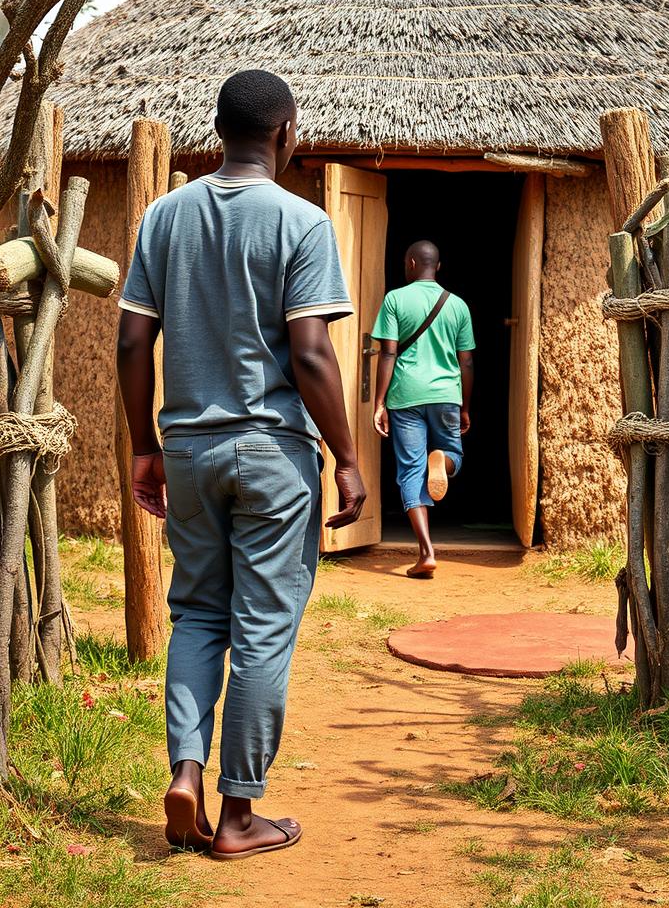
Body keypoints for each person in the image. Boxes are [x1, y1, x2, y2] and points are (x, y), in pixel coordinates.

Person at [116, 69, 365, 860]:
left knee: (197, 614)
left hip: (186, 450)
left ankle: (184, 771)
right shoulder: (302, 222)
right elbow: (313, 353)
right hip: (272, 454)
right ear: (287, 133)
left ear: (217, 130)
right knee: (261, 631)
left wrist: (146, 448)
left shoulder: (163, 217)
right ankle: (237, 817)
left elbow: (130, 343)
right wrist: (349, 457)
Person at [371, 240, 474, 578]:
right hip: (446, 393)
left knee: (410, 471)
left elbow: (387, 353)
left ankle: (426, 553)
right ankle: (441, 460)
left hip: (405, 396)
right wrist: (465, 406)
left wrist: (379, 402)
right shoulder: (458, 305)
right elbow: (467, 362)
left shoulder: (395, 299)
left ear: (411, 262)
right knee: (454, 453)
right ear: (438, 267)